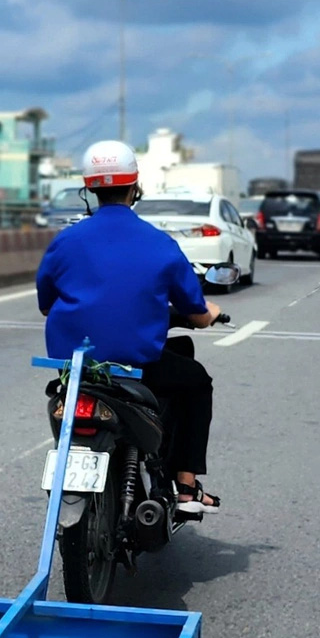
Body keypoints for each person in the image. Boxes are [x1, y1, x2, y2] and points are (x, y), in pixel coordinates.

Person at [35, 140, 224, 513]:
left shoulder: (65, 241)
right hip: (137, 368)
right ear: (135, 186)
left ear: (89, 188)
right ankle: (186, 486)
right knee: (197, 381)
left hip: (77, 370)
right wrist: (211, 312)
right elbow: (197, 313)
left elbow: (46, 304)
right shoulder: (159, 243)